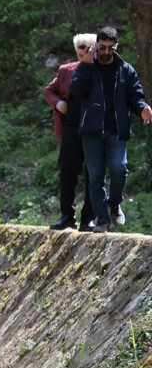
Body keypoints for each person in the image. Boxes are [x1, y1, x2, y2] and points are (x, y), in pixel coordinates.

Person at [70, 26, 152, 232]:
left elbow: (135, 95)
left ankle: (114, 202)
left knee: (119, 168)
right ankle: (103, 221)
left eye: (110, 48)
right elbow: (76, 91)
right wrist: (87, 65)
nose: (106, 52)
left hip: (116, 130)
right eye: (102, 48)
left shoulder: (126, 69)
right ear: (96, 46)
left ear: (116, 46)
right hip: (91, 131)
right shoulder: (87, 66)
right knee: (96, 176)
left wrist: (142, 107)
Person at [44, 33, 95, 230]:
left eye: (87, 52)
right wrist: (58, 104)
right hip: (71, 128)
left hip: (94, 130)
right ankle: (67, 216)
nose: (82, 57)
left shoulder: (103, 70)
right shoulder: (66, 71)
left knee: (93, 172)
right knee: (67, 170)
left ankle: (88, 219)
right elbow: (49, 91)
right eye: (79, 54)